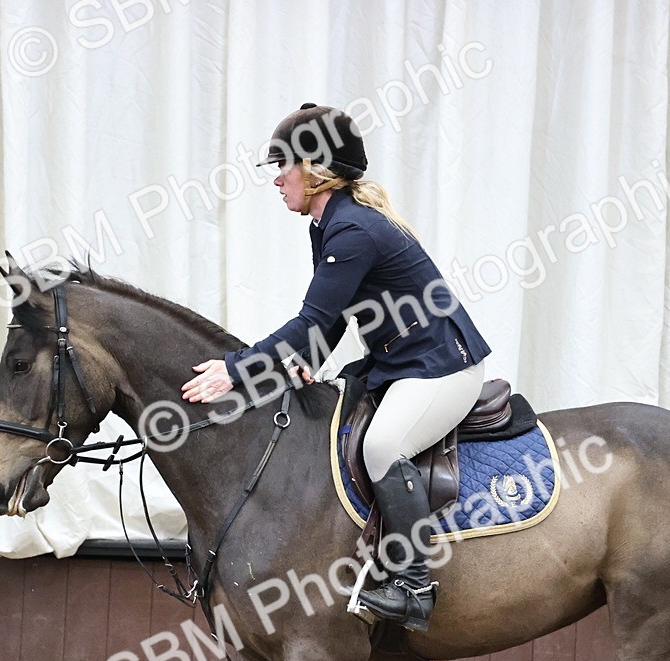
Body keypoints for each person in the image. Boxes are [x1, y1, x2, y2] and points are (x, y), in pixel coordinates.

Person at [181, 103, 491, 631]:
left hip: (442, 368)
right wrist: (302, 365)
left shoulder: (352, 230)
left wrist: (236, 370)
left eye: (285, 165)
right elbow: (324, 330)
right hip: (400, 364)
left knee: (381, 446)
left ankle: (414, 584)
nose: (277, 179)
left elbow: (309, 322)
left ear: (316, 169)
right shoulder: (327, 225)